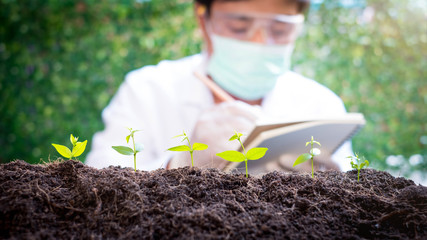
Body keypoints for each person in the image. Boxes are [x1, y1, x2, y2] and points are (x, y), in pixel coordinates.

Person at [85, 0, 353, 173]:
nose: (259, 42)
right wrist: (179, 166)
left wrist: (329, 183)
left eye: (279, 30)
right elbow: (95, 188)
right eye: (239, 27)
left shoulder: (321, 105)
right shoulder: (148, 89)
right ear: (204, 20)